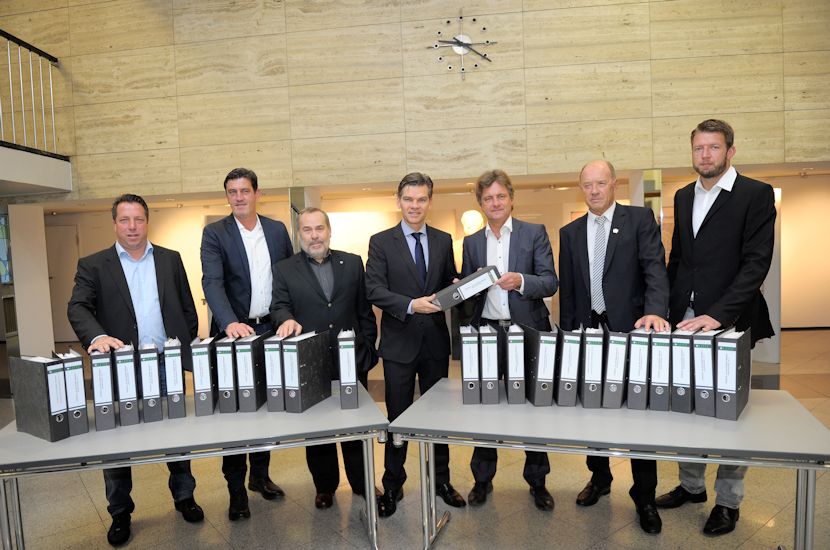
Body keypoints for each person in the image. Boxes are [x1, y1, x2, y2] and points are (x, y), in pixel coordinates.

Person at [656, 119, 776, 536]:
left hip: (732, 323)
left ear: (730, 151)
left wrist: (719, 315)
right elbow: (678, 259)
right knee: (688, 406)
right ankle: (691, 486)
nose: (705, 155)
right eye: (698, 148)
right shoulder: (683, 195)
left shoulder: (755, 194)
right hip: (686, 322)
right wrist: (666, 309)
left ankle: (728, 501)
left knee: (730, 416)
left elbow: (756, 264)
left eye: (713, 147)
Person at [67, 194, 203, 546]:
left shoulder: (170, 259)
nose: (132, 227)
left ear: (147, 221)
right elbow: (78, 307)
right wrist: (97, 336)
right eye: (125, 220)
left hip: (165, 364)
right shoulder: (94, 265)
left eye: (138, 219)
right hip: (121, 366)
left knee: (176, 437)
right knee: (117, 443)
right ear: (114, 223)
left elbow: (187, 308)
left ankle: (184, 496)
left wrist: (180, 344)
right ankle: (120, 512)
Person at [559, 160, 670, 533]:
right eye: (587, 184)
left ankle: (644, 497)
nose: (593, 191)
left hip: (632, 333)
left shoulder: (639, 220)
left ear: (614, 184)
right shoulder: (570, 232)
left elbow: (655, 270)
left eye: (600, 183)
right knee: (593, 412)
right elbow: (569, 289)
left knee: (639, 417)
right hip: (589, 335)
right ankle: (600, 477)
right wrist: (570, 336)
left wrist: (655, 312)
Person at [365, 172, 466, 517]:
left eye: (421, 199)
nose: (414, 205)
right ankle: (393, 484)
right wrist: (410, 305)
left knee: (439, 418)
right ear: (398, 201)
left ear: (430, 202)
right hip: (399, 345)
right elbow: (374, 289)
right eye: (408, 199)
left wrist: (457, 284)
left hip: (435, 343)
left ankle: (441, 480)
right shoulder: (381, 242)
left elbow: (447, 279)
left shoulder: (442, 239)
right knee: (396, 417)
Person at [460, 169, 558, 511]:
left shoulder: (534, 233)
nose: (495, 203)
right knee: (486, 408)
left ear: (512, 199)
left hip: (526, 332)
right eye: (488, 198)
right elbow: (468, 295)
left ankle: (538, 481)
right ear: (481, 203)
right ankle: (482, 479)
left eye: (501, 196)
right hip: (487, 332)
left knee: (533, 409)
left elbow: (550, 281)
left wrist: (521, 281)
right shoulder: (472, 242)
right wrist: (465, 286)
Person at [200, 167, 294, 520]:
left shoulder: (277, 230)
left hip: (270, 330)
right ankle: (236, 489)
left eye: (244, 191)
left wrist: (288, 317)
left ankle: (260, 476)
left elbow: (287, 277)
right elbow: (212, 282)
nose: (238, 197)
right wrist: (229, 322)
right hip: (234, 335)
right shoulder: (215, 233)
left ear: (257, 193)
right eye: (232, 192)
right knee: (235, 415)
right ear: (227, 196)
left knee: (267, 407)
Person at [270, 207, 378, 509]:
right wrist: (285, 319)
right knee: (318, 430)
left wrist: (368, 347)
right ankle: (325, 487)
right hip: (311, 362)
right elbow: (278, 306)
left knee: (356, 426)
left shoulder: (352, 263)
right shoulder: (284, 269)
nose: (314, 235)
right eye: (307, 230)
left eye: (319, 228)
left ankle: (362, 483)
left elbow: (364, 310)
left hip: (351, 359)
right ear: (299, 234)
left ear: (329, 231)